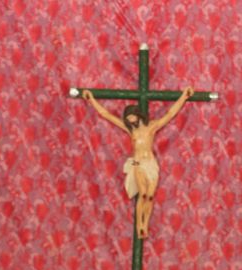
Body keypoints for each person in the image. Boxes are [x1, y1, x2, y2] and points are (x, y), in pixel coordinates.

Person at [82, 87, 194, 239]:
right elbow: (106, 115)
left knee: (150, 196)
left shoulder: (152, 127)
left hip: (150, 163)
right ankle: (139, 225)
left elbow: (170, 113)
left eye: (131, 118)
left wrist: (184, 96)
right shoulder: (131, 130)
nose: (130, 121)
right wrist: (91, 98)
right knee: (143, 194)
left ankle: (145, 224)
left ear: (137, 114)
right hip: (137, 163)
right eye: (128, 120)